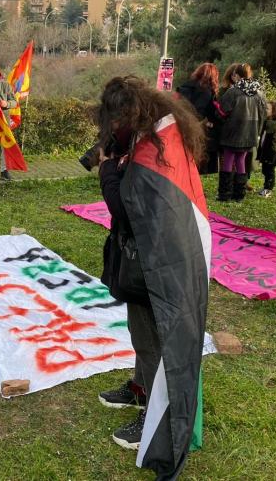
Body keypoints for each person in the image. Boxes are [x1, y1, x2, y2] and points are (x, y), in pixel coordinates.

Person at [91, 76, 209, 478]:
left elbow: (123, 205)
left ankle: (155, 417)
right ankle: (141, 387)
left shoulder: (155, 149)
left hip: (159, 261)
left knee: (159, 338)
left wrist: (107, 170)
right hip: (144, 256)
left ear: (129, 114)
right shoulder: (154, 135)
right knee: (141, 328)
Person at [218, 63, 266, 202]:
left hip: (232, 131)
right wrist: (257, 131)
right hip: (250, 133)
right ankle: (239, 195)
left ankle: (224, 194)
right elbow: (263, 115)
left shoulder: (233, 92)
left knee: (228, 160)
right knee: (241, 161)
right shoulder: (259, 92)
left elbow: (221, 111)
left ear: (237, 75)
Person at [177, 62, 221, 174]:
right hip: (197, 127)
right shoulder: (207, 92)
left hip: (181, 124)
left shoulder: (185, 87)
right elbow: (204, 111)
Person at [257, 101, 276, 198]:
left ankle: (268, 189)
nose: (265, 110)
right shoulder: (267, 123)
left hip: (273, 154)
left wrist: (272, 156)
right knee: (265, 170)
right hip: (265, 152)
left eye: (268, 109)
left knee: (270, 172)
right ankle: (265, 187)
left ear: (275, 112)